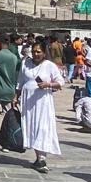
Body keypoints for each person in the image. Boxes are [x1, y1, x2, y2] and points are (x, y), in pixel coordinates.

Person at [17, 41, 64, 172]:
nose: (36, 54)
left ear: (44, 52)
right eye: (34, 51)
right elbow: (20, 81)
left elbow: (60, 82)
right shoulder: (25, 63)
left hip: (42, 102)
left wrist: (48, 84)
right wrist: (16, 96)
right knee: (31, 126)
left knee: (42, 127)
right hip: (28, 102)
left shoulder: (49, 65)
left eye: (38, 51)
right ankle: (38, 157)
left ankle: (42, 158)